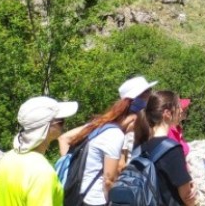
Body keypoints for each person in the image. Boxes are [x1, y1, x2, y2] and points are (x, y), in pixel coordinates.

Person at [60, 75, 156, 206]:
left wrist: (72, 174)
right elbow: (109, 179)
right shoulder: (115, 134)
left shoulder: (100, 124)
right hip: (95, 199)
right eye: (146, 92)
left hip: (79, 194)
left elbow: (64, 138)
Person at [0, 96, 79, 206]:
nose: (65, 125)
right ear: (46, 127)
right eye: (61, 121)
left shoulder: (6, 160)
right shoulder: (42, 172)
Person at [135, 91, 195, 206]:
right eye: (178, 107)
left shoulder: (141, 145)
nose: (181, 110)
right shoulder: (172, 149)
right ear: (167, 113)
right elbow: (186, 195)